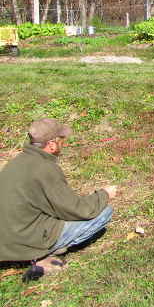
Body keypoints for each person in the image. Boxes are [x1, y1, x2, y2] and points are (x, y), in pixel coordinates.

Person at [0, 118, 117, 282]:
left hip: (5, 241)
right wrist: (104, 194)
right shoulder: (45, 169)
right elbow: (78, 210)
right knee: (103, 212)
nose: (63, 144)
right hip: (25, 240)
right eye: (61, 140)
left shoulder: (15, 162)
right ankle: (42, 256)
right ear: (52, 145)